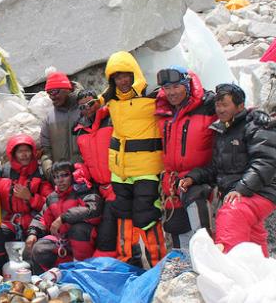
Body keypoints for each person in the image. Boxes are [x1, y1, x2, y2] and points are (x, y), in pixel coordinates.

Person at [181, 84, 276, 256]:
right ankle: (263, 273)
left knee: (231, 211)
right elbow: (217, 168)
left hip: (260, 191)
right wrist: (193, 177)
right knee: (253, 238)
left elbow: (265, 162)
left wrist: (240, 189)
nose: (220, 109)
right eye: (218, 105)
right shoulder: (223, 130)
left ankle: (225, 258)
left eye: (225, 105)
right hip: (240, 193)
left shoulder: (256, 125)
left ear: (240, 106)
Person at [101, 51, 165, 267]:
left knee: (147, 216)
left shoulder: (154, 98)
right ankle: (127, 265)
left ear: (135, 74)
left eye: (126, 75)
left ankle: (159, 265)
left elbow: (182, 97)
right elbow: (91, 102)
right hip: (120, 172)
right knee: (123, 217)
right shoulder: (111, 101)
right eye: (117, 77)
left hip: (146, 169)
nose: (123, 80)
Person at [154, 67, 216, 250]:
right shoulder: (164, 110)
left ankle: (207, 272)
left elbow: (235, 111)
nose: (171, 92)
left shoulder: (208, 106)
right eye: (167, 88)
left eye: (176, 86)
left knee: (202, 237)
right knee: (178, 235)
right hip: (172, 183)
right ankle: (185, 273)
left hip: (199, 180)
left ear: (187, 85)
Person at [0, 134, 53, 272]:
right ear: (13, 154)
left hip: (35, 222)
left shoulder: (41, 173)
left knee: (43, 246)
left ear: (33, 152)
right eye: (20, 151)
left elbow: (50, 204)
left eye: (27, 150)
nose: (24, 155)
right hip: (10, 221)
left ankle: (38, 276)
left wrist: (30, 197)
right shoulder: (2, 172)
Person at [26, 162, 102, 272]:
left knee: (78, 229)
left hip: (86, 244)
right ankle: (48, 280)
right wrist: (33, 233)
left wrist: (63, 218)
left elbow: (92, 210)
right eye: (56, 177)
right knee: (39, 248)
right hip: (64, 243)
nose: (59, 180)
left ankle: (83, 271)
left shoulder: (84, 190)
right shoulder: (52, 197)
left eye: (64, 175)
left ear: (73, 175)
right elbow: (42, 217)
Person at [72, 89, 116, 258]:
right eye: (82, 107)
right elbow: (82, 159)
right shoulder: (80, 130)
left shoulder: (112, 119)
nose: (87, 109)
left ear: (99, 101)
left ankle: (110, 263)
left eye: (90, 104)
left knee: (111, 229)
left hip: (118, 183)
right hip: (97, 187)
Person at [40, 71, 82, 177]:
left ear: (67, 89)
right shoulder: (49, 119)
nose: (52, 97)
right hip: (62, 181)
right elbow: (46, 151)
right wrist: (50, 173)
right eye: (49, 93)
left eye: (54, 92)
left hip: (86, 176)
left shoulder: (85, 109)